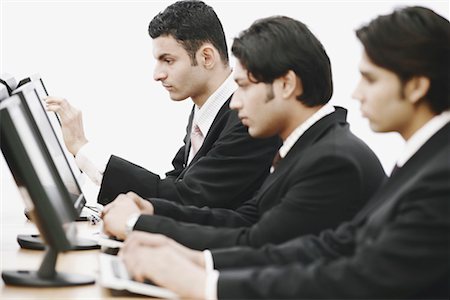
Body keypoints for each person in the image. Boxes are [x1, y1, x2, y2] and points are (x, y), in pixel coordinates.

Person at [118, 6, 450, 299]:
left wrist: (202, 283)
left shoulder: (346, 161)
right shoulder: (418, 161)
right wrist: (198, 260)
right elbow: (329, 246)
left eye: (370, 79)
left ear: (418, 86)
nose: (356, 93)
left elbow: (360, 277)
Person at [101, 16, 386, 249]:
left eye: (245, 86)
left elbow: (258, 243)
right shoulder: (307, 148)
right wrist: (153, 211)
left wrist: (136, 224)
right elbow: (245, 220)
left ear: (286, 85)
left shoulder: (333, 160)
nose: (235, 102)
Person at [46, 0, 280, 209]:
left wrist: (83, 148)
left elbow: (188, 198)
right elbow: (176, 183)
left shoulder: (247, 119)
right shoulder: (205, 111)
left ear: (206, 57)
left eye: (168, 61)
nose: (157, 75)